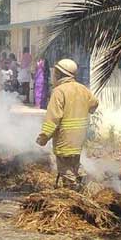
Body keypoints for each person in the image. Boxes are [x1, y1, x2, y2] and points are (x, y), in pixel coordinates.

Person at [35, 58, 99, 190]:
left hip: (64, 139)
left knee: (66, 170)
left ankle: (72, 195)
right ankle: (84, 187)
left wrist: (44, 137)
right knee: (75, 164)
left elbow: (53, 118)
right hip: (79, 138)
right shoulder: (83, 89)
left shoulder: (59, 91)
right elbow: (94, 105)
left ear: (59, 73)